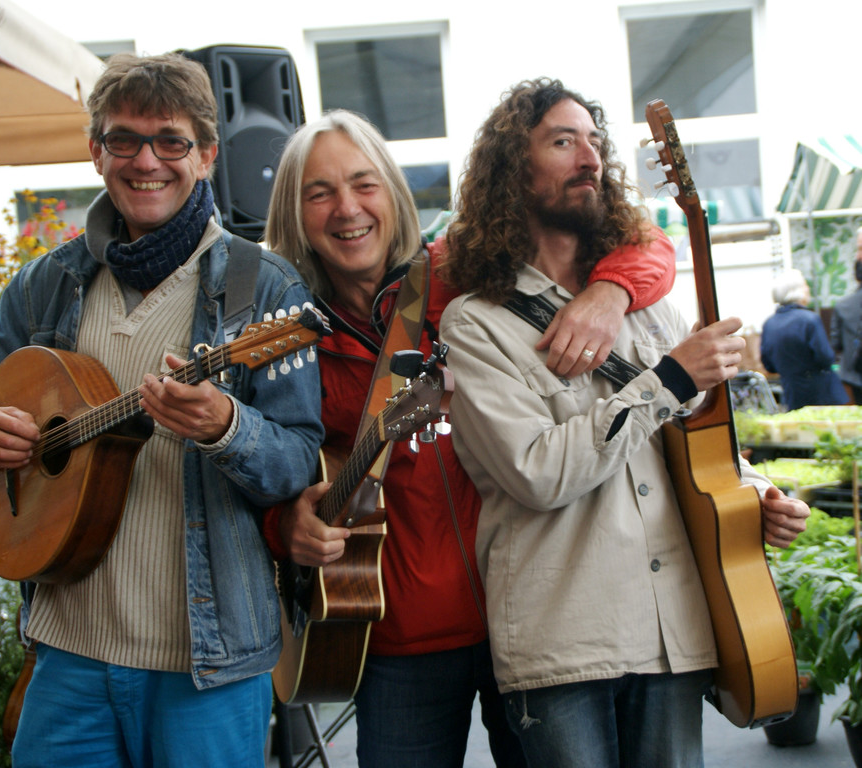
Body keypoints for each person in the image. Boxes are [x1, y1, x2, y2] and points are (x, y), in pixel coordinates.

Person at [0, 52, 324, 768]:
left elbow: (296, 460)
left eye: (170, 141)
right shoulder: (53, 281)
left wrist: (227, 429)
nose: (147, 161)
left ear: (204, 156)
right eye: (123, 140)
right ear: (96, 152)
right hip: (67, 657)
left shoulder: (263, 289)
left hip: (207, 664)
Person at [261, 108, 678, 768]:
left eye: (364, 184)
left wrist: (609, 294)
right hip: (395, 632)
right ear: (294, 212)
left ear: (393, 194)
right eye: (320, 193)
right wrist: (285, 525)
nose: (348, 209)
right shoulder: (283, 337)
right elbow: (272, 468)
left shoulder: (460, 270)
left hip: (531, 610)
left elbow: (649, 246)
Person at [438, 78, 810, 768]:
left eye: (595, 143)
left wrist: (752, 494)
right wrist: (668, 379)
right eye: (561, 141)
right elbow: (539, 474)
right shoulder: (474, 324)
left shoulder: (646, 309)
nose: (590, 159)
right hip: (563, 638)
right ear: (510, 173)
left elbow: (689, 444)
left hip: (670, 627)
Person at [760, 268, 848, 410]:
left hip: (792, 396)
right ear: (797, 291)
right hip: (822, 395)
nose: (808, 290)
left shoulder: (769, 324)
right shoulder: (809, 320)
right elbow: (825, 357)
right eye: (805, 286)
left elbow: (769, 365)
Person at [829, 227, 862, 403]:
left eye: (861, 249)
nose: (857, 257)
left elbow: (836, 345)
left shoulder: (844, 306)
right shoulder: (845, 305)